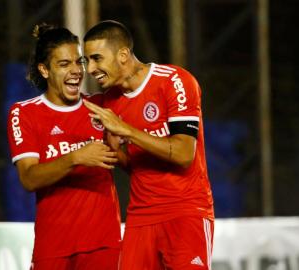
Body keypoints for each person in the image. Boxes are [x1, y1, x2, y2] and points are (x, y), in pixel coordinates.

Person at [83, 20, 214, 270]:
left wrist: (127, 131)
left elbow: (184, 153)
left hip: (186, 211)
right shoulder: (111, 101)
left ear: (122, 55)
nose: (91, 68)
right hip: (140, 217)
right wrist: (115, 153)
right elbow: (137, 167)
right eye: (87, 60)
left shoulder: (175, 81)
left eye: (97, 58)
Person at [7, 23, 121, 270]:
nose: (76, 71)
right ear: (44, 70)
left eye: (78, 62)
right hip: (53, 247)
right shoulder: (24, 113)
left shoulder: (101, 106)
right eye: (64, 64)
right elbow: (29, 178)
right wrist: (75, 157)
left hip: (102, 244)